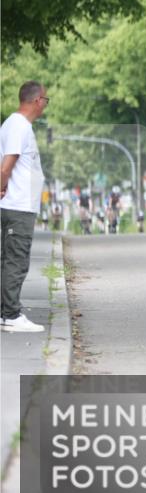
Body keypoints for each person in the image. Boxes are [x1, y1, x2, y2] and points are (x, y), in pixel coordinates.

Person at [1, 81, 49, 332]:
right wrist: (1, 186)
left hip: (17, 203)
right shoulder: (19, 127)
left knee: (8, 259)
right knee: (16, 260)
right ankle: (11, 314)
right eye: (45, 100)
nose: (45, 105)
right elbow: (6, 165)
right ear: (36, 100)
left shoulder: (12, 124)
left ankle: (5, 312)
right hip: (18, 205)